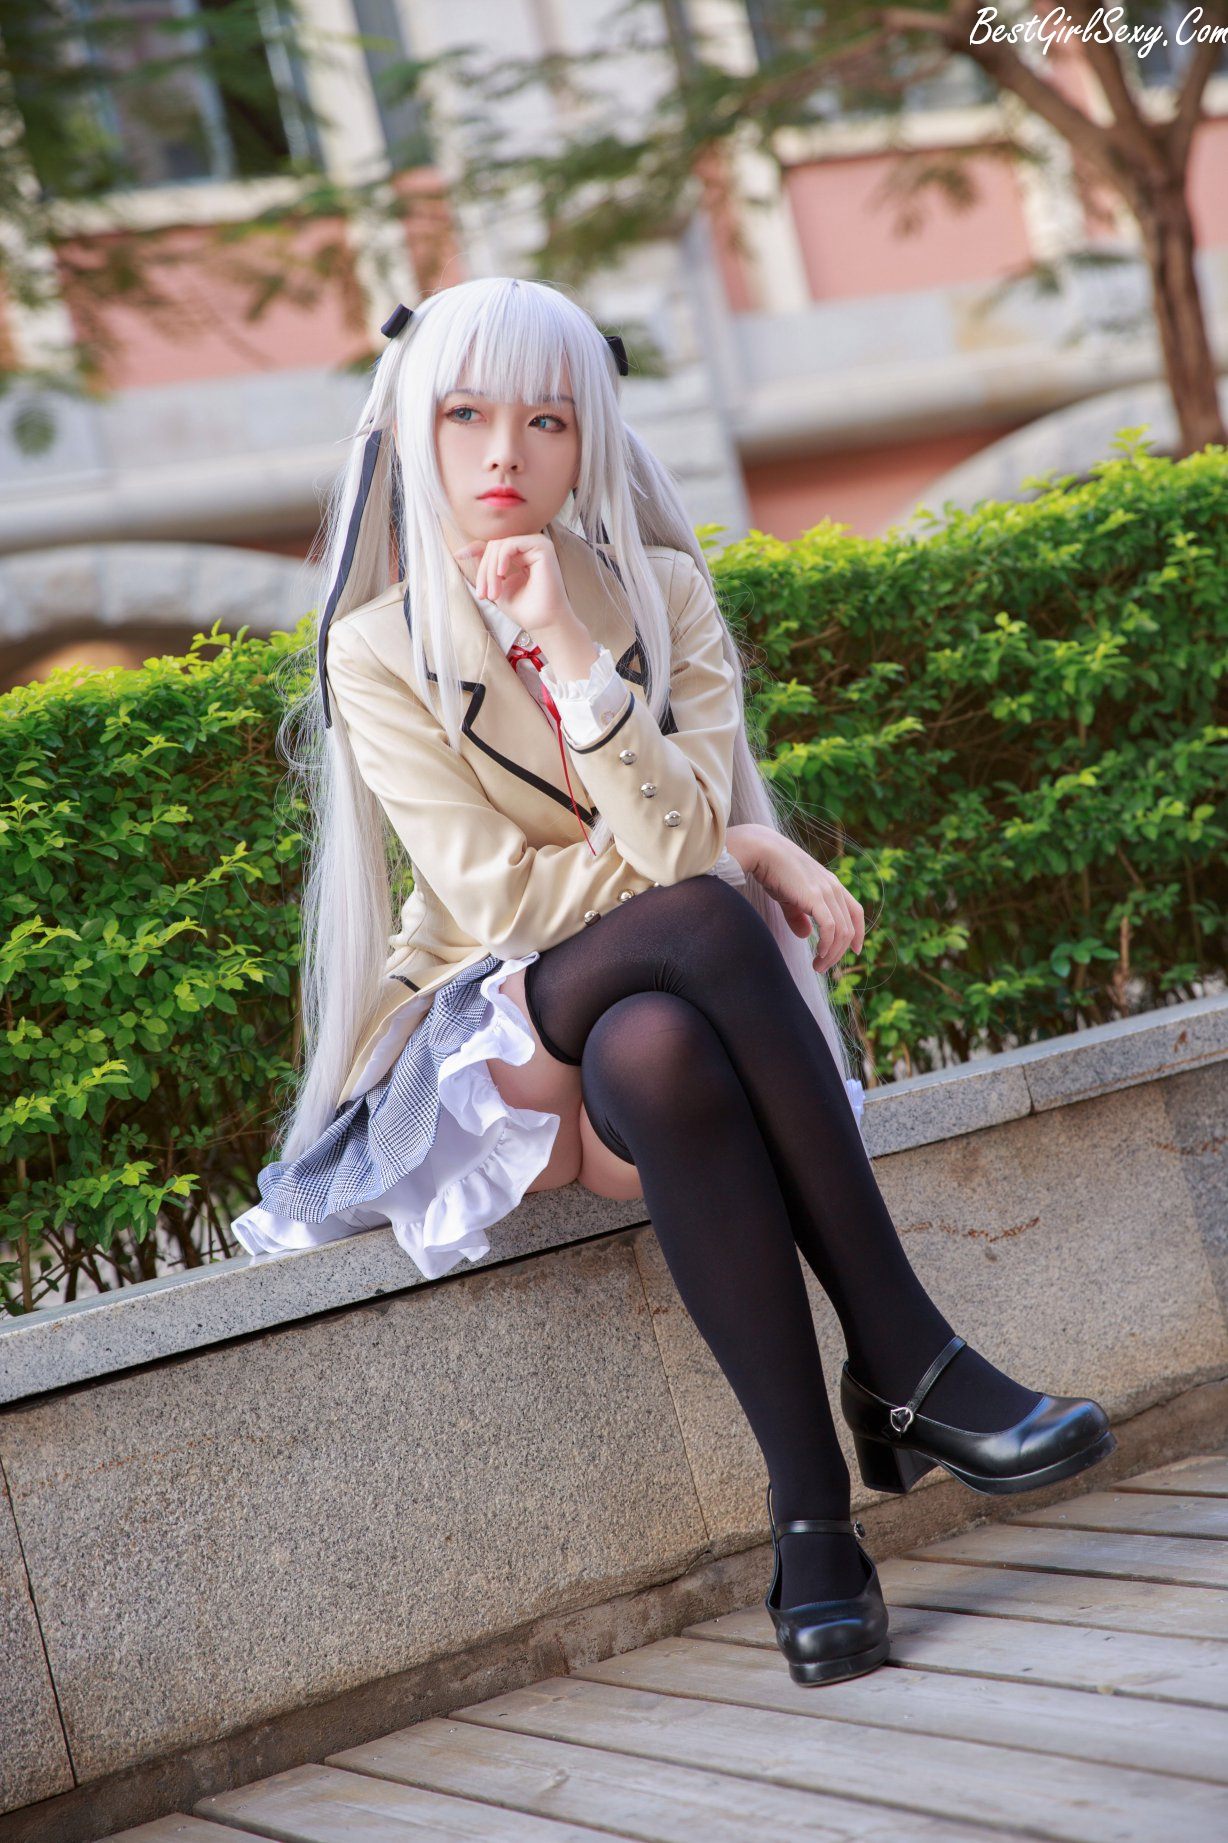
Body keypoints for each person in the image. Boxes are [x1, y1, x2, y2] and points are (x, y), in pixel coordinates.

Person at [231, 275, 1114, 1686]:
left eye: (546, 420)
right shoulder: (376, 646)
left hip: (633, 1075)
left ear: (590, 437)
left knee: (663, 1040)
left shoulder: (662, 595)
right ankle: (907, 1355)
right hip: (497, 1049)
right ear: (412, 430)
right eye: (465, 417)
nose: (505, 453)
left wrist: (578, 657)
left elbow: (677, 848)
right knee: (701, 919)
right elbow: (505, 902)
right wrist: (738, 847)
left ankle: (814, 1530)